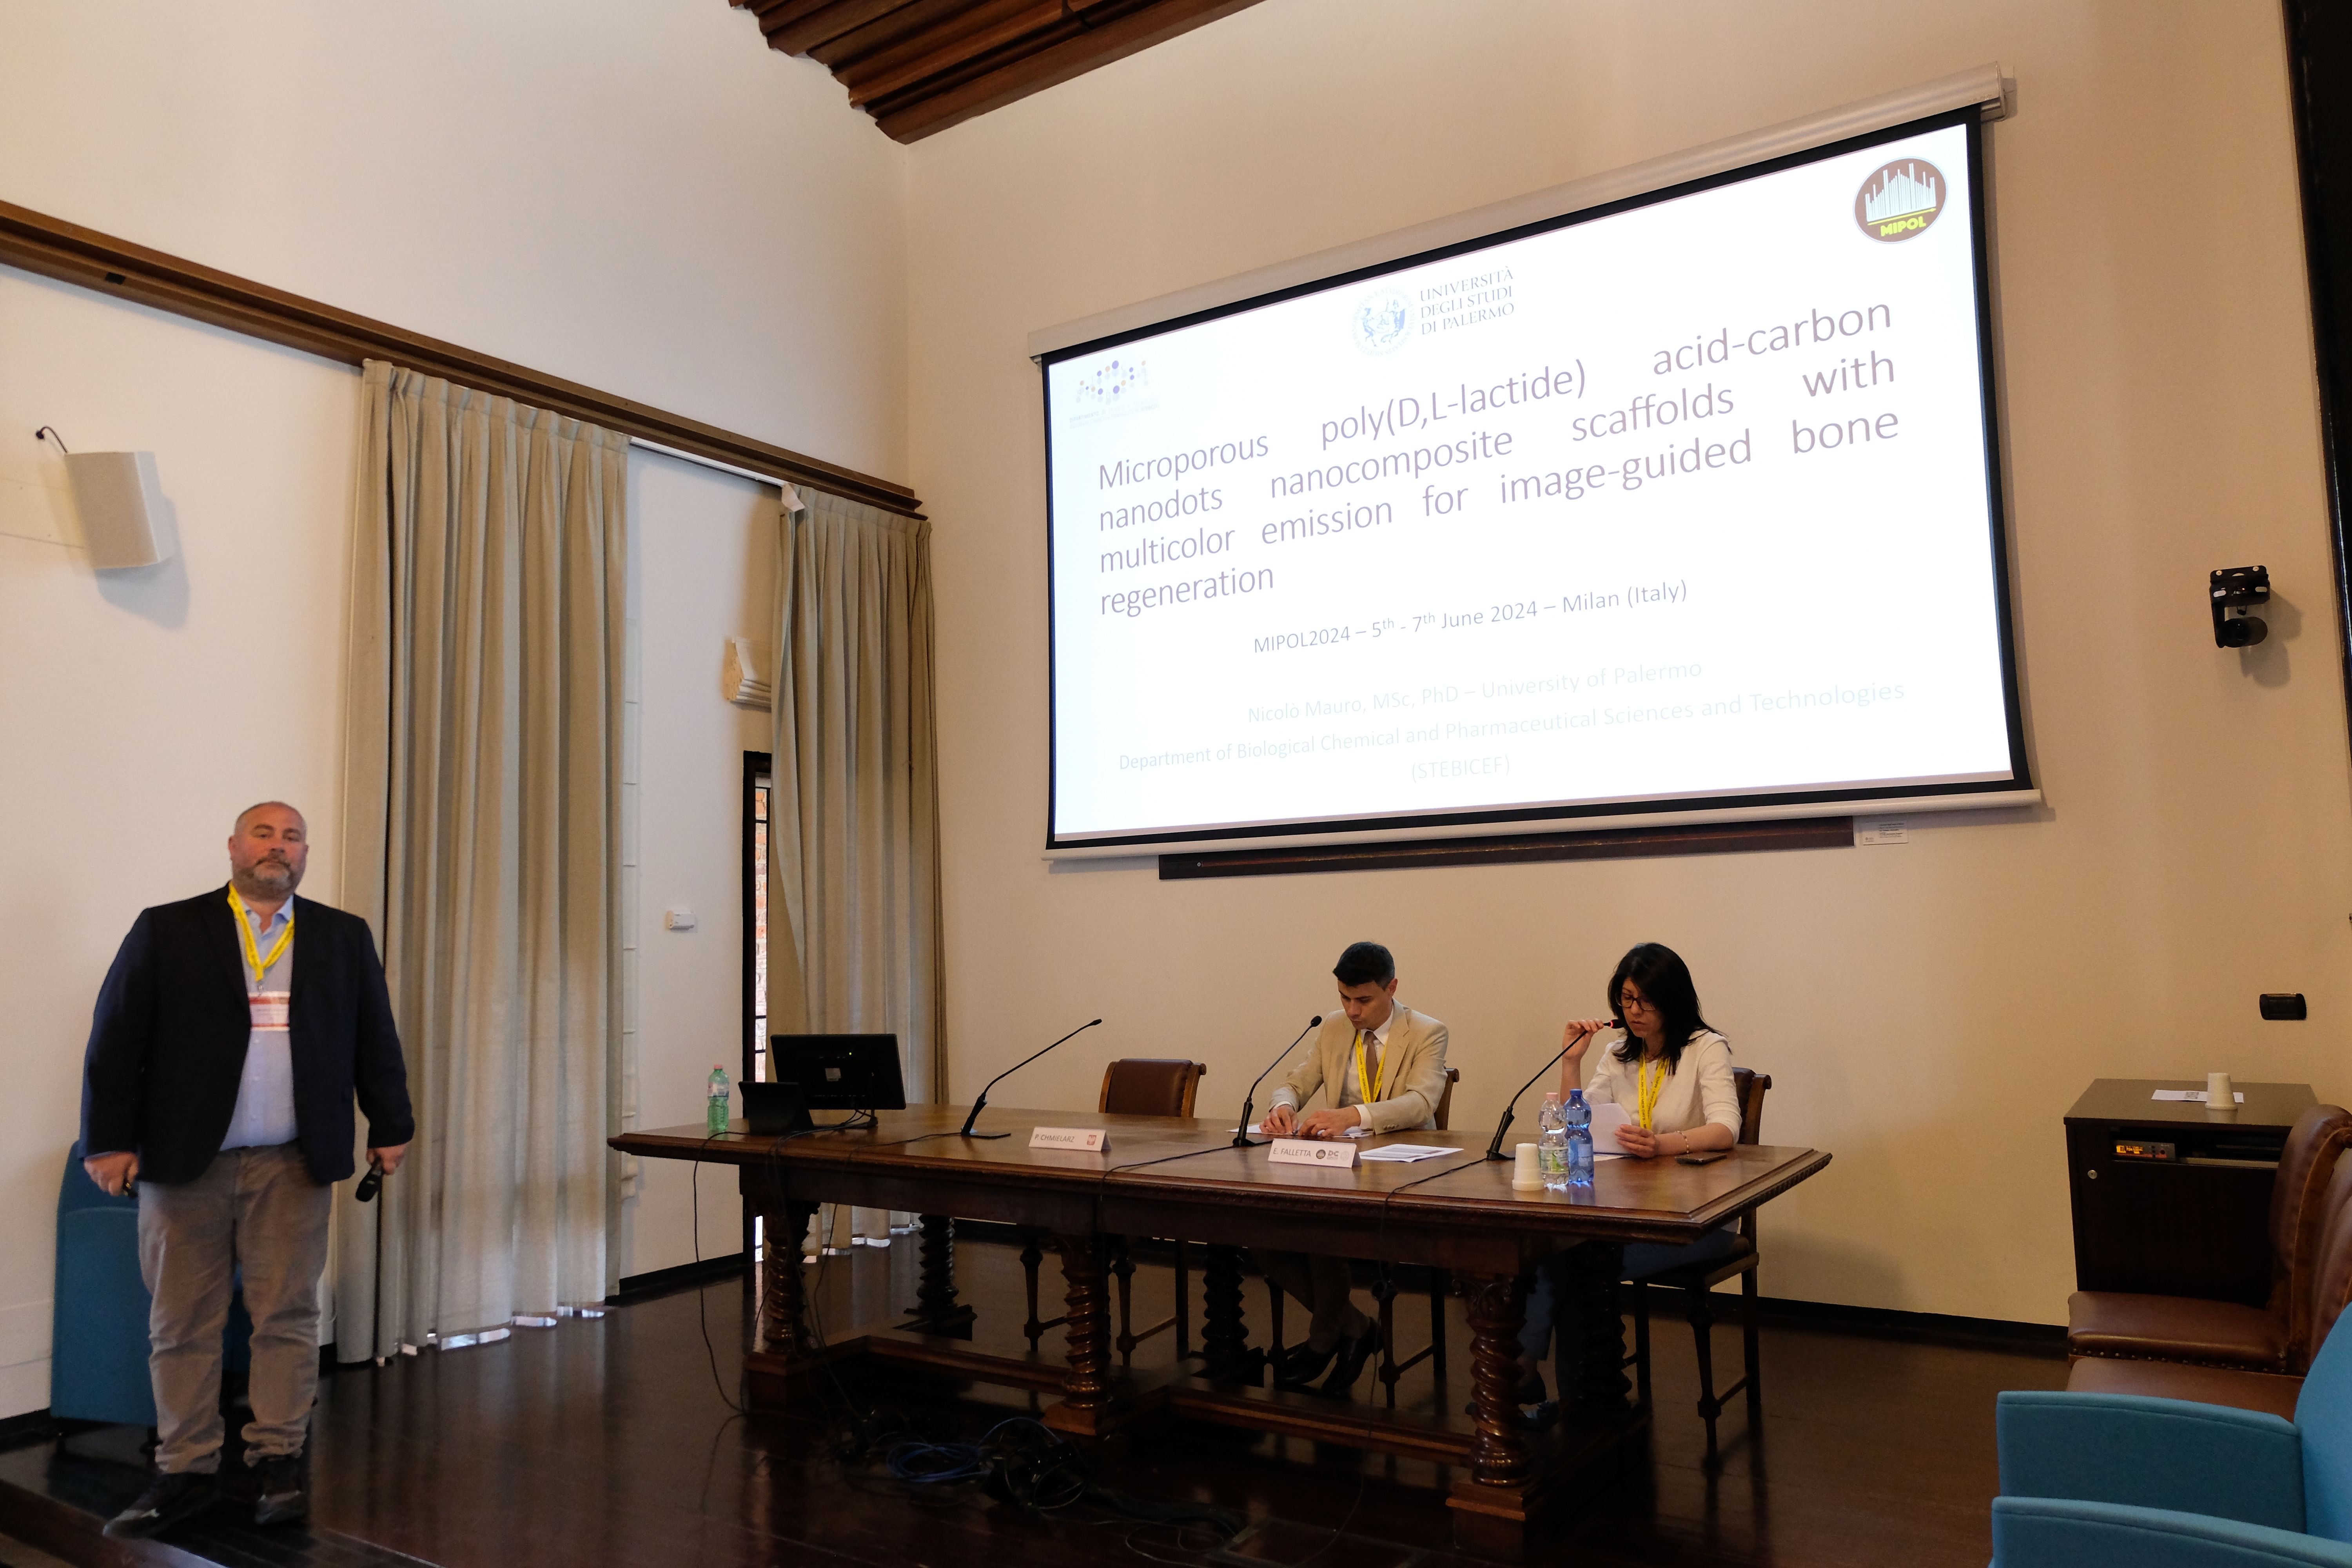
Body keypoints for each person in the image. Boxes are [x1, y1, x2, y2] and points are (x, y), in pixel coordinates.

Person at [80, 802, 415, 1539]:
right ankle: (185, 1468)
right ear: (233, 847)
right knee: (181, 1323)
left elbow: (374, 1037)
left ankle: (278, 1461)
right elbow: (116, 1038)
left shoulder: (342, 935)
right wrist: (106, 1143)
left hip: (293, 1164)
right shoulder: (168, 929)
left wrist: (392, 1125)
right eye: (264, 833)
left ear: (305, 854)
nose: (278, 847)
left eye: (292, 837)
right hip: (184, 1165)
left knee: (287, 1318)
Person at [1514, 942, 1738, 1424]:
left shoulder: (1706, 1048)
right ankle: (1569, 1396)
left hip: (1696, 1219)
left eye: (1646, 1000)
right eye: (1627, 999)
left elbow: (1726, 1129)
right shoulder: (1618, 1053)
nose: (1634, 1011)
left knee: (1577, 1261)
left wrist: (1661, 1144)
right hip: (1627, 1210)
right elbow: (1576, 1120)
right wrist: (1572, 1061)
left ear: (1673, 999)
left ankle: (1553, 1389)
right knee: (1561, 1249)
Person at [1258, 940, 1449, 1396]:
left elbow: (1421, 1102)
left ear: (1392, 988)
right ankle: (1356, 1327)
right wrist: (1283, 1106)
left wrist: (1353, 1115)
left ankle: (1325, 1339)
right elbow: (1295, 1083)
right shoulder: (1333, 1027)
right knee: (1261, 1236)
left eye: (1363, 1000)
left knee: (1323, 1233)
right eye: (1345, 998)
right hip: (1337, 1165)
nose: (1353, 1011)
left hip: (1399, 1170)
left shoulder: (1427, 1031)